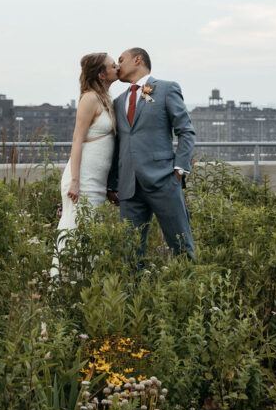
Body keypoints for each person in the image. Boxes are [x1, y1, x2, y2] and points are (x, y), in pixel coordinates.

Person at [107, 47, 196, 259]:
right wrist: (112, 183)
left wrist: (179, 170)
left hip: (164, 180)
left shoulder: (166, 89)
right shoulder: (118, 102)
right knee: (130, 252)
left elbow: (185, 131)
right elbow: (117, 145)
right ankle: (135, 292)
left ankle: (189, 289)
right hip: (128, 188)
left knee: (181, 245)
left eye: (121, 60)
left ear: (138, 60)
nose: (117, 66)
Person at [52, 52, 120, 273]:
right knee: (76, 230)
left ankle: (85, 283)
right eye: (112, 65)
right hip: (83, 178)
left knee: (90, 231)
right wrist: (74, 180)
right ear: (101, 74)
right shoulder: (89, 98)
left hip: (97, 181)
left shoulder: (105, 98)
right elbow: (77, 139)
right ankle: (64, 284)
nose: (117, 67)